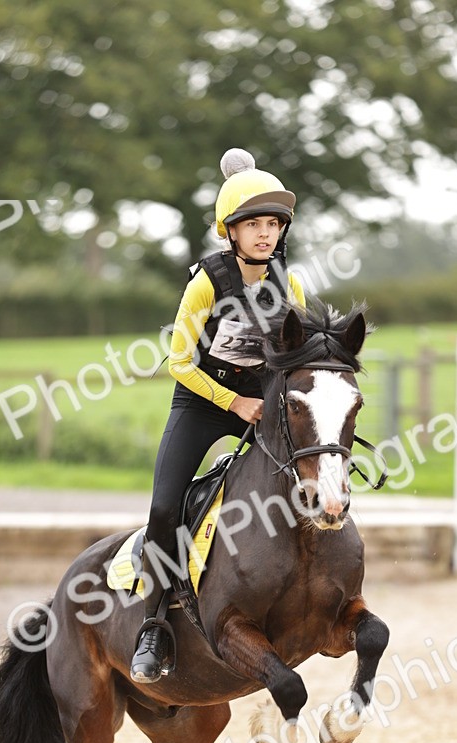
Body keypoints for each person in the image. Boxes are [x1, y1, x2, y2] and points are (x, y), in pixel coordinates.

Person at [130, 147, 307, 684]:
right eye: (253, 224)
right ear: (229, 232)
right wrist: (235, 403)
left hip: (261, 402)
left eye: (273, 224)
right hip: (205, 403)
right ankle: (154, 624)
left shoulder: (290, 285)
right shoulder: (205, 283)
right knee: (165, 507)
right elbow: (179, 362)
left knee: (308, 477)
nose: (265, 234)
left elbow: (299, 355)